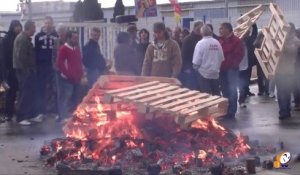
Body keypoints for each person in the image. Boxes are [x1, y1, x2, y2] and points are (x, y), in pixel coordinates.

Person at [13, 20, 38, 125]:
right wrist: (26, 71)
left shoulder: (25, 39)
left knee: (28, 94)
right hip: (23, 72)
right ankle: (20, 117)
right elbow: (20, 57)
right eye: (34, 28)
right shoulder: (22, 39)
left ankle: (28, 115)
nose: (35, 30)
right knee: (24, 94)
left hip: (27, 71)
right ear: (29, 28)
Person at [219, 22, 244, 119]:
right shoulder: (220, 41)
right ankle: (226, 110)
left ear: (227, 29)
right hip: (222, 69)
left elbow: (239, 55)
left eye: (221, 28)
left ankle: (232, 111)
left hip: (231, 70)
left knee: (232, 90)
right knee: (225, 90)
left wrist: (232, 65)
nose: (220, 30)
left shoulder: (236, 41)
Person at [275, 23, 300, 120]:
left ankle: (285, 111)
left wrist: (283, 46)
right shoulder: (279, 39)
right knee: (280, 92)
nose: (285, 31)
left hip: (289, 70)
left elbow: (292, 51)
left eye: (287, 29)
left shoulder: (295, 40)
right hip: (278, 69)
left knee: (286, 92)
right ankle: (283, 111)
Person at [56, 30, 83, 122]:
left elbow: (79, 62)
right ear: (69, 38)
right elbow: (60, 64)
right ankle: (63, 116)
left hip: (76, 78)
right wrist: (68, 74)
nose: (76, 40)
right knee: (65, 97)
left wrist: (80, 73)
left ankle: (73, 115)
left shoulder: (77, 49)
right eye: (74, 38)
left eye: (77, 38)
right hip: (67, 79)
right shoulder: (63, 49)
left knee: (75, 97)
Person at [34, 16, 58, 120]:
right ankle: (41, 112)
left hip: (53, 65)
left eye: (49, 23)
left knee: (55, 88)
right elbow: (36, 51)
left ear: (52, 24)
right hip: (42, 66)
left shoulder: (56, 35)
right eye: (46, 23)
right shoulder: (38, 36)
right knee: (41, 89)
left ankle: (56, 111)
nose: (48, 25)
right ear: (44, 24)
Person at [193, 25, 224, 95]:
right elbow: (221, 58)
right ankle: (219, 105)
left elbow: (196, 61)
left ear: (201, 33)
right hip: (215, 73)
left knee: (206, 96)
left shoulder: (200, 44)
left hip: (203, 74)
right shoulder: (217, 43)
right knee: (216, 95)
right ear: (211, 32)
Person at [1, 20, 22, 122]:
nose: (18, 29)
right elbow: (3, 56)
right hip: (10, 70)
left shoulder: (21, 38)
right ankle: (8, 113)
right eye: (16, 26)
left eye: (19, 26)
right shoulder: (6, 39)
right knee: (11, 93)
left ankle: (18, 112)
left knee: (20, 92)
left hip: (19, 69)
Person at [179, 20, 203, 90]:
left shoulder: (202, 38)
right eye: (200, 28)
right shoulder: (188, 39)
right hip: (191, 70)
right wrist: (186, 68)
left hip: (201, 70)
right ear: (196, 28)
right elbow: (184, 55)